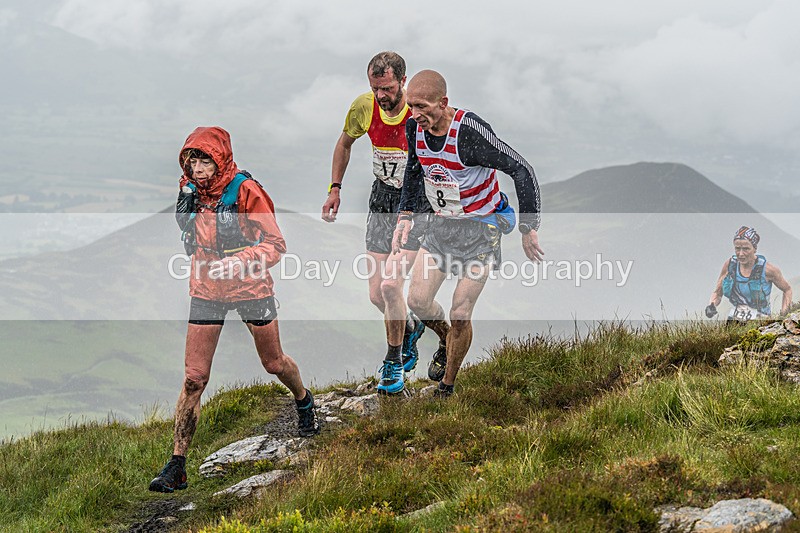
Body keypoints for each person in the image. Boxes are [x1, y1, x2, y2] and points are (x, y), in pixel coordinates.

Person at [149, 126, 318, 493]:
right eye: (191, 159)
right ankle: (177, 465)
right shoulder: (189, 193)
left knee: (273, 363)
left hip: (250, 286)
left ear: (220, 158)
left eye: (204, 158)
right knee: (194, 379)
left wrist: (242, 261)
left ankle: (304, 400)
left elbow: (275, 244)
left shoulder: (246, 191)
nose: (196, 166)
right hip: (206, 288)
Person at [393, 69, 543, 397]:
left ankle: (446, 386)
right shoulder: (413, 127)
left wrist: (529, 227)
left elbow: (521, 168)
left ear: (443, 103)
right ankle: (446, 341)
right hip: (443, 224)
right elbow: (415, 169)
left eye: (422, 107)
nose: (415, 115)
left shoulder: (469, 132)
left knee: (461, 311)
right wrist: (406, 213)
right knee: (417, 300)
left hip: (482, 229)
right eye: (410, 107)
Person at [321, 52, 445, 395]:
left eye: (387, 88)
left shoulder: (416, 112)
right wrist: (335, 189)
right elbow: (344, 143)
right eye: (375, 88)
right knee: (377, 294)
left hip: (417, 206)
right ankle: (412, 328)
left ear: (402, 82)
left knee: (392, 287)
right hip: (382, 200)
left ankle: (394, 364)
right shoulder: (364, 107)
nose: (381, 96)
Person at [706, 226, 793, 322]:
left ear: (755, 248)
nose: (741, 254)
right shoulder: (730, 265)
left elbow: (787, 289)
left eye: (746, 249)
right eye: (737, 248)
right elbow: (718, 293)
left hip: (760, 321)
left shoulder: (768, 270)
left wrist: (784, 316)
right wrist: (712, 305)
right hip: (734, 320)